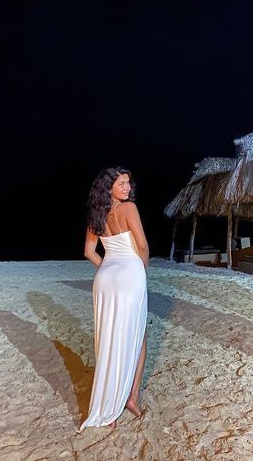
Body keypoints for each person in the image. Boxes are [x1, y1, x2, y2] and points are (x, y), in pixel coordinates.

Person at [78, 166, 148, 431]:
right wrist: (141, 271)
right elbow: (142, 246)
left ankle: (109, 411)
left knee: (108, 341)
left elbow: (88, 252)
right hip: (130, 274)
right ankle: (131, 397)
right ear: (109, 187)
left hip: (105, 279)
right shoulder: (128, 209)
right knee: (139, 335)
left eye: (128, 183)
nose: (128, 188)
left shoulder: (96, 213)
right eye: (122, 184)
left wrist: (107, 267)